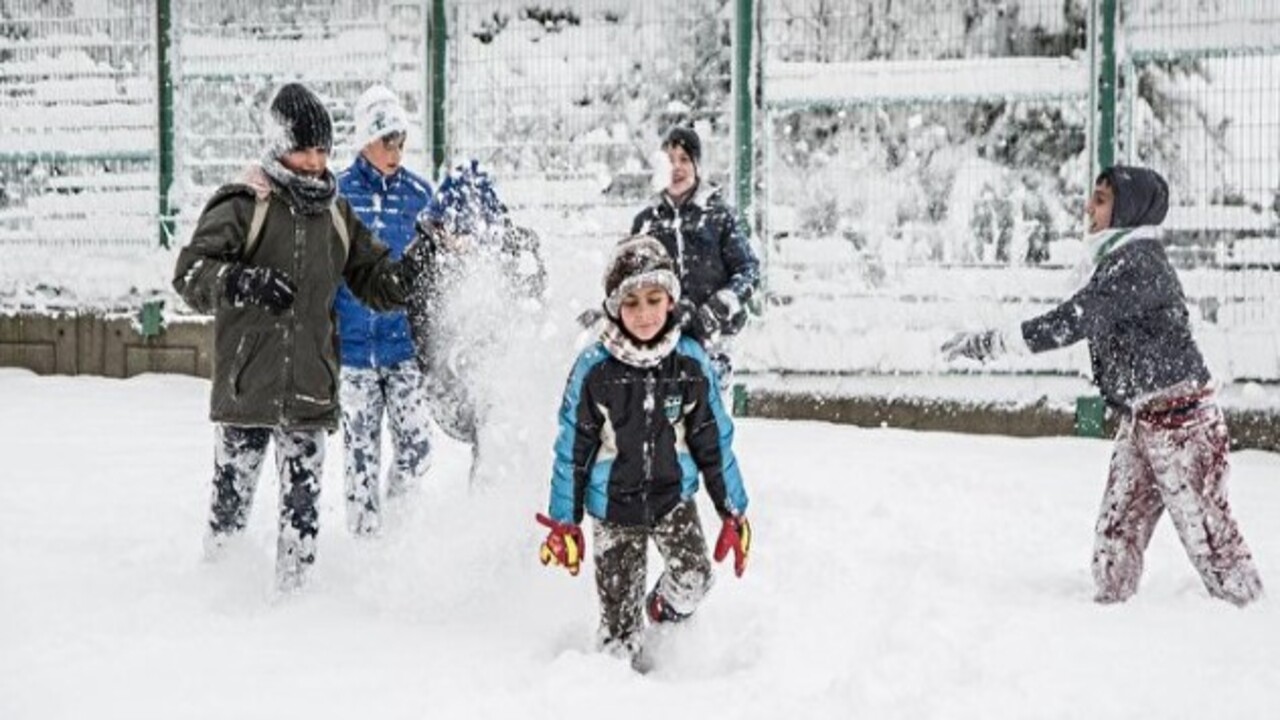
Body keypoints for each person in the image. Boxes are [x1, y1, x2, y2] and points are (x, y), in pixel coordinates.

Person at [942, 165, 1263, 607]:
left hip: (1183, 424)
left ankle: (1248, 613)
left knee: (1209, 536)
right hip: (1144, 419)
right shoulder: (1117, 260)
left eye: (1100, 199)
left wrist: (991, 343)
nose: (1088, 208)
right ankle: (1107, 617)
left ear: (1126, 209)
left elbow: (1074, 319)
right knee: (1118, 527)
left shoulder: (1139, 264)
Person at [172, 83, 422, 591]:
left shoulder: (335, 211)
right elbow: (190, 272)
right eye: (304, 148)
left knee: (302, 519)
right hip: (248, 390)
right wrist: (240, 281)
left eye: (323, 149)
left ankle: (295, 613)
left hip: (310, 389)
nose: (314, 161)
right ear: (278, 145)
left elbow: (376, 282)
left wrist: (417, 269)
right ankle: (213, 603)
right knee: (230, 510)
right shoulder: (246, 203)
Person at [536, 236, 752, 670]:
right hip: (614, 508)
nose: (644, 313)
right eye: (631, 303)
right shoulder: (595, 369)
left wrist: (733, 510)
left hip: (673, 499)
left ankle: (661, 615)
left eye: (654, 299)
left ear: (670, 299)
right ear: (615, 308)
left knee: (693, 580)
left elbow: (714, 441)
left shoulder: (689, 363)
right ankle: (620, 688)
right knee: (619, 636)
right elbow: (572, 451)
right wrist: (564, 521)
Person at [334, 85, 434, 537]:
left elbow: (433, 271)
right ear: (364, 141)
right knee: (359, 455)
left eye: (400, 141)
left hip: (403, 349)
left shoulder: (419, 195)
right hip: (353, 353)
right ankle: (364, 544)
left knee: (416, 445)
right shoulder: (335, 196)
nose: (395, 151)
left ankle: (400, 525)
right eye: (385, 140)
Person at [406, 160, 546, 482]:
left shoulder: (514, 251)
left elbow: (533, 306)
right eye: (453, 231)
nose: (462, 243)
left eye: (470, 232)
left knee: (496, 423)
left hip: (497, 367)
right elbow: (417, 322)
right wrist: (439, 366)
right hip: (445, 379)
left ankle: (492, 493)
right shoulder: (424, 256)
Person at [629, 125, 760, 384]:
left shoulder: (719, 217)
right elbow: (630, 280)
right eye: (670, 160)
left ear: (697, 165)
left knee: (707, 413)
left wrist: (720, 305)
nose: (677, 167)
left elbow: (748, 270)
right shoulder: (647, 223)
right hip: (663, 340)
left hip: (715, 339)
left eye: (684, 159)